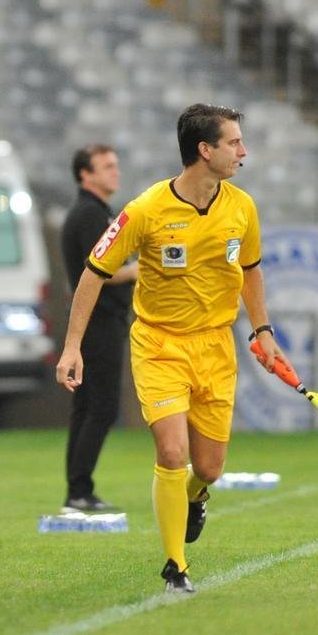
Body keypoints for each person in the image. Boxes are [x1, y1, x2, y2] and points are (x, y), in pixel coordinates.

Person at [56, 104, 287, 594]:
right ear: (205, 151)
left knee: (207, 468)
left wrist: (262, 330)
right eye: (234, 143)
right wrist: (72, 345)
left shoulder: (242, 207)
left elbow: (250, 270)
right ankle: (175, 566)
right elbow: (93, 274)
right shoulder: (144, 210)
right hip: (159, 344)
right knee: (172, 450)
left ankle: (197, 497)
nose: (243, 152)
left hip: (216, 346)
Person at [58, 143, 137, 513]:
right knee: (101, 407)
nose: (115, 172)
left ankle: (77, 487)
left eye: (115, 165)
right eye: (106, 166)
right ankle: (79, 488)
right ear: (84, 174)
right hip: (98, 321)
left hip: (100, 321)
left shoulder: (97, 212)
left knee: (88, 406)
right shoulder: (89, 215)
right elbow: (102, 271)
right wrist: (142, 268)